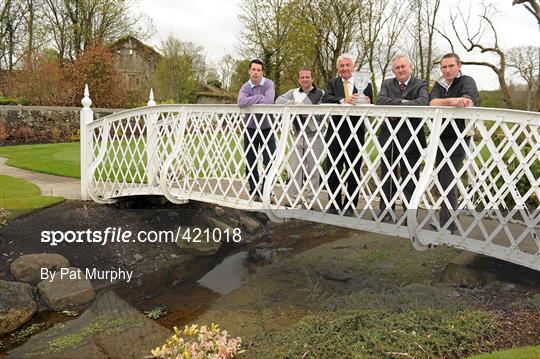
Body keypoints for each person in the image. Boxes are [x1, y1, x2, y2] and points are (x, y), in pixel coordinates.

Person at [376, 55, 429, 223]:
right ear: (393, 71)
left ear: (410, 67)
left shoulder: (421, 84)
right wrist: (405, 102)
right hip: (388, 135)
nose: (400, 70)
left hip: (411, 136)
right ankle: (385, 212)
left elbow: (422, 103)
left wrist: (395, 105)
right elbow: (380, 101)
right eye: (397, 68)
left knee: (410, 176)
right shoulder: (387, 83)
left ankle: (409, 215)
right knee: (387, 175)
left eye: (403, 67)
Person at [429, 53, 478, 233]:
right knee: (442, 180)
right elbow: (432, 102)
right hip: (440, 137)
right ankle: (449, 221)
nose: (447, 70)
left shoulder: (467, 81)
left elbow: (467, 101)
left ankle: (447, 224)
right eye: (444, 67)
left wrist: (455, 102)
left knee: (448, 179)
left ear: (459, 66)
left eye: (450, 66)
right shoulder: (439, 84)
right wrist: (451, 101)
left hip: (460, 137)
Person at [322, 53, 373, 215]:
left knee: (353, 170)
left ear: (354, 66)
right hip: (335, 133)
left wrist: (367, 102)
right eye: (341, 66)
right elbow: (326, 99)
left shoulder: (365, 83)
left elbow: (371, 102)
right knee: (333, 170)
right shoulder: (332, 83)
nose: (344, 68)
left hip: (355, 132)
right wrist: (342, 101)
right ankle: (334, 204)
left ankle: (350, 205)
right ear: (338, 68)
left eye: (347, 65)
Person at [276, 67, 325, 207]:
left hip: (315, 135)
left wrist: (310, 111)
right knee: (295, 168)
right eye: (302, 77)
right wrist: (294, 104)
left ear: (312, 78)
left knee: (314, 170)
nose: (305, 79)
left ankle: (311, 201)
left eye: (307, 77)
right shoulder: (293, 93)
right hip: (298, 135)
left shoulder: (321, 93)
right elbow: (278, 100)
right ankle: (294, 199)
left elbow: (326, 111)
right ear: (298, 79)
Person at [237, 59, 276, 201]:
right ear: (249, 71)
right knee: (251, 161)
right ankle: (254, 191)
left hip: (267, 128)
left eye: (258, 70)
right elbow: (241, 103)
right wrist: (259, 96)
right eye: (253, 69)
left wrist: (252, 100)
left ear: (262, 72)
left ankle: (266, 191)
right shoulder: (245, 87)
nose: (255, 72)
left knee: (270, 161)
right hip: (251, 128)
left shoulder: (269, 84)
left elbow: (269, 101)